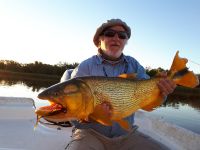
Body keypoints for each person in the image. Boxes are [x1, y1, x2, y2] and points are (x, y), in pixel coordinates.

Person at [63, 19, 176, 150]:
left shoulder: (133, 64)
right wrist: (91, 117)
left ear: (125, 42)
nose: (116, 38)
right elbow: (72, 113)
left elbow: (152, 97)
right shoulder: (85, 67)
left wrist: (163, 92)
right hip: (91, 134)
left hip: (127, 135)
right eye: (110, 33)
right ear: (100, 39)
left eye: (122, 36)